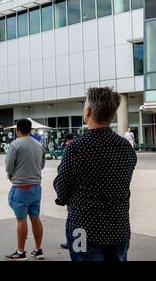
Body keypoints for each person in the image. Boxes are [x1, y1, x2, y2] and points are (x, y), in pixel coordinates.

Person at [54, 87, 137, 261]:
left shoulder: (75, 149)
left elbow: (61, 189)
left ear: (88, 111)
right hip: (119, 227)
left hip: (82, 228)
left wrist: (63, 197)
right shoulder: (125, 147)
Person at [5, 119, 46, 261]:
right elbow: (42, 164)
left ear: (18, 130)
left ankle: (21, 252)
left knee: (21, 220)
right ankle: (38, 250)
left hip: (21, 187)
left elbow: (9, 166)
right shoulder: (39, 145)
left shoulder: (15, 144)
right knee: (35, 218)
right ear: (30, 129)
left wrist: (11, 175)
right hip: (36, 187)